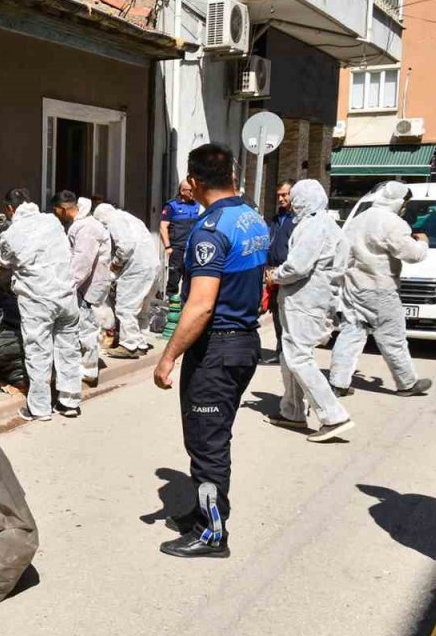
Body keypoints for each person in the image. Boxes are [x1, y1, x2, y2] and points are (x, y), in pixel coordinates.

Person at [152, 143, 269, 559]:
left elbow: (200, 305)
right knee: (213, 437)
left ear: (194, 181)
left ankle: (211, 532)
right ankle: (206, 511)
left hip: (218, 348)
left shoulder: (211, 230)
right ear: (233, 176)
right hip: (243, 342)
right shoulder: (251, 217)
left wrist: (168, 356)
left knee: (207, 444)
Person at [329, 181, 432, 397]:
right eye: (406, 203)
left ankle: (338, 382)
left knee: (351, 333)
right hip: (381, 289)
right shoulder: (392, 223)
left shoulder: (358, 220)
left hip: (354, 287)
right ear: (399, 202)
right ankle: (407, 383)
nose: (405, 208)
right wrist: (423, 243)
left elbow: (342, 256)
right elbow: (412, 255)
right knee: (393, 337)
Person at [268, 180, 354, 442]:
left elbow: (298, 266)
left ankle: (333, 415)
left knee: (299, 358)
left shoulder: (313, 226)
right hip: (310, 300)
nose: (292, 203)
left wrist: (275, 275)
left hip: (304, 301)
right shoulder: (328, 224)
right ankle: (292, 410)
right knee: (290, 354)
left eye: (295, 198)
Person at [0, 188, 82, 422]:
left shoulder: (12, 233)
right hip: (66, 296)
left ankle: (40, 408)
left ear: (10, 209)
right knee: (68, 349)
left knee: (38, 352)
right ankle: (70, 402)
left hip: (38, 300)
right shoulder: (52, 221)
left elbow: (4, 260)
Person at [52, 192, 112, 387]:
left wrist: (67, 287)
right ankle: (84, 365)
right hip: (85, 285)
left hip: (88, 286)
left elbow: (82, 264)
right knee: (84, 326)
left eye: (56, 211)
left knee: (86, 328)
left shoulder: (86, 228)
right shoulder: (82, 224)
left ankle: (88, 370)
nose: (56, 215)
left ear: (63, 209)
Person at [93, 202, 161, 359]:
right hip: (152, 266)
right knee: (142, 308)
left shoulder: (113, 221)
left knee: (126, 308)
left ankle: (129, 345)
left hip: (136, 270)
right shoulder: (131, 218)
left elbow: (126, 247)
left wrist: (114, 266)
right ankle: (140, 342)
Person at [262, 179, 298, 366]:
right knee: (276, 314)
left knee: (289, 317)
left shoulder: (298, 219)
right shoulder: (277, 219)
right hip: (273, 274)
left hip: (289, 274)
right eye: (279, 196)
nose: (281, 199)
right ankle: (280, 351)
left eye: (285, 195)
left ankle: (291, 354)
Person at [160, 181, 202, 296]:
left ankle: (185, 300)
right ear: (182, 191)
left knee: (189, 275)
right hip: (177, 247)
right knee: (174, 274)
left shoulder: (197, 205)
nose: (193, 193)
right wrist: (168, 247)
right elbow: (163, 227)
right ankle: (170, 299)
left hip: (191, 246)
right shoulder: (171, 206)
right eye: (190, 190)